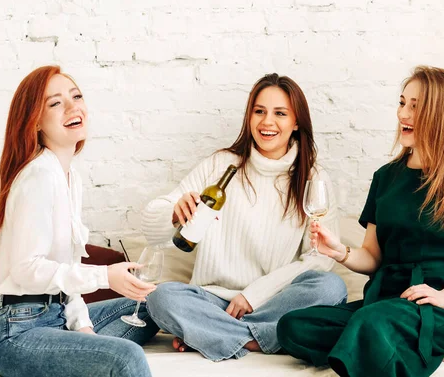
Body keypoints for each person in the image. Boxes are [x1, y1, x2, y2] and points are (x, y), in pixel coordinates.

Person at [277, 66, 444, 377]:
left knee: (371, 323)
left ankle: (420, 340)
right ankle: (436, 351)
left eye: (415, 106)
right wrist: (340, 252)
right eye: (401, 102)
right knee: (293, 326)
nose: (403, 114)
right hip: (383, 300)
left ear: (442, 115)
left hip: (439, 306)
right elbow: (373, 257)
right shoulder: (385, 178)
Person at [141, 73, 348, 361]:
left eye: (280, 113)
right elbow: (152, 229)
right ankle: (253, 338)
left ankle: (215, 335)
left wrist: (253, 295)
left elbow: (319, 258)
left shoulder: (312, 178)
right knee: (160, 298)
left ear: (296, 122)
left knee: (331, 287)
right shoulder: (221, 165)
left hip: (275, 301)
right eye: (259, 111)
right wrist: (173, 211)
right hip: (212, 300)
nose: (267, 122)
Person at [0, 66, 158, 377]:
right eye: (56, 102)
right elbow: (26, 269)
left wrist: (84, 330)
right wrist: (104, 277)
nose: (74, 106)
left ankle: (80, 352)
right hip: (17, 332)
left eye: (76, 97)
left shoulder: (68, 176)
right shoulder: (37, 176)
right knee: (127, 358)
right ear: (34, 121)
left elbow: (65, 280)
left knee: (150, 308)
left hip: (57, 316)